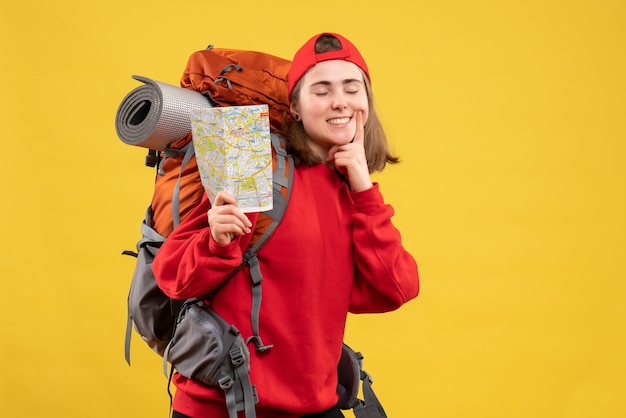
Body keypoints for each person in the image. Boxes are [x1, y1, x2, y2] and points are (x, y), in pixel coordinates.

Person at [152, 32, 420, 418]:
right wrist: (216, 241)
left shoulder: (351, 191)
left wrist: (364, 188)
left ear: (366, 101)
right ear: (295, 107)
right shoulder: (255, 161)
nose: (340, 101)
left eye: (351, 88)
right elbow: (173, 277)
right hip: (224, 407)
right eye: (322, 90)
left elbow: (396, 287)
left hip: (314, 406)